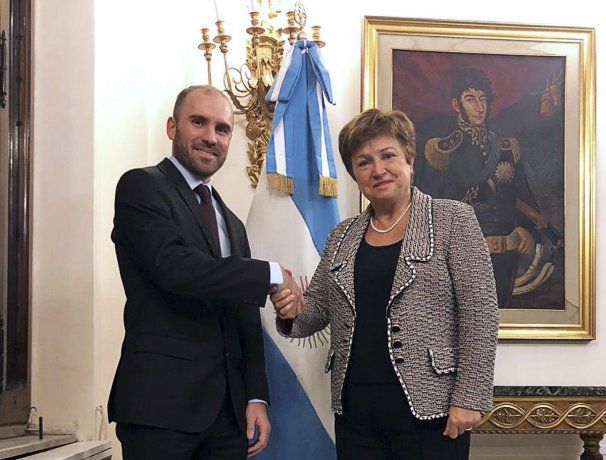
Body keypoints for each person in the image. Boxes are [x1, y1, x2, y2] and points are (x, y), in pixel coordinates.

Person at [270, 109, 499, 459]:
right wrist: (292, 305)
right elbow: (314, 313)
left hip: (431, 412)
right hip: (356, 412)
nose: (378, 170)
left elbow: (480, 313)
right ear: (355, 175)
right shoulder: (341, 236)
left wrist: (469, 397)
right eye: (364, 162)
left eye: (388, 155)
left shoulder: (453, 219)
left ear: (409, 160)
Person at [107, 85, 301, 459]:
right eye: (198, 122)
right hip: (159, 409)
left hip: (227, 417)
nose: (211, 137)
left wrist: (256, 395)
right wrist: (272, 274)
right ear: (172, 127)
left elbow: (244, 315)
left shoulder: (232, 223)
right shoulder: (142, 186)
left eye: (222, 129)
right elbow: (177, 269)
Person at [420, 67, 560, 308]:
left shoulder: (506, 149)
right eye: (470, 99)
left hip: (506, 256)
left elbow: (521, 199)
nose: (479, 107)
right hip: (462, 257)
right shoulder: (443, 152)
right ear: (456, 105)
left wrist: (524, 229)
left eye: (483, 99)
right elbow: (433, 210)